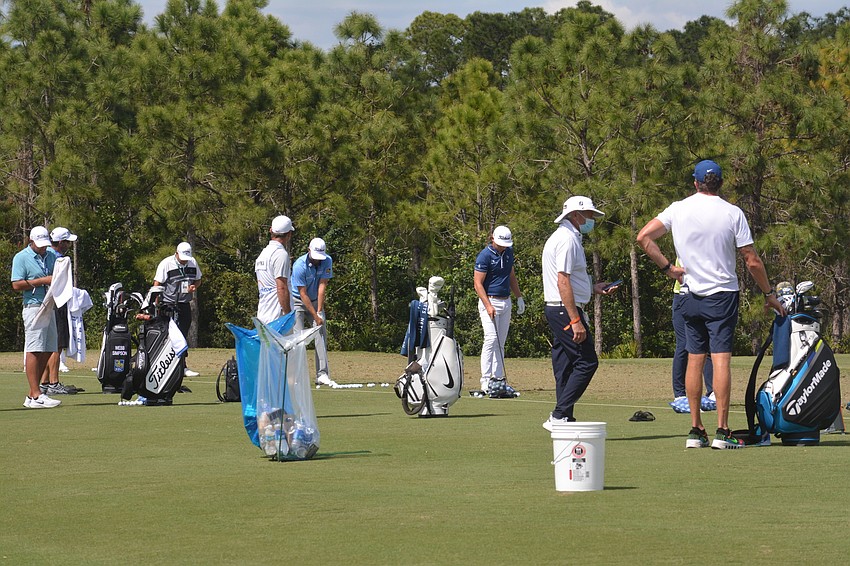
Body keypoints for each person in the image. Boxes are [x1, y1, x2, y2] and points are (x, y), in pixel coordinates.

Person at [637, 159, 785, 449]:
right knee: (720, 360)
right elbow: (751, 260)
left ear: (695, 182)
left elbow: (644, 237)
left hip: (689, 295)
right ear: (720, 183)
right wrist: (768, 293)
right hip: (722, 295)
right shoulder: (732, 213)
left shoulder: (678, 209)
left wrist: (668, 268)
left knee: (695, 358)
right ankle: (722, 430)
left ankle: (695, 430)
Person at [541, 196, 619, 430]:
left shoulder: (567, 237)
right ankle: (558, 414)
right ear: (576, 215)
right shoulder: (567, 240)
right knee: (587, 362)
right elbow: (562, 281)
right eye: (590, 215)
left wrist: (593, 288)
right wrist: (576, 319)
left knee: (564, 366)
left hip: (560, 309)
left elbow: (570, 280)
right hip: (565, 311)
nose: (592, 220)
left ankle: (564, 419)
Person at [10, 226, 61, 408]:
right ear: (31, 241)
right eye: (40, 245)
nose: (43, 248)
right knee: (34, 348)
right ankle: (36, 393)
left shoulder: (52, 256)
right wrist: (41, 281)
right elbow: (16, 284)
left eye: (45, 245)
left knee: (49, 348)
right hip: (33, 306)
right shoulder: (21, 257)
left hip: (50, 304)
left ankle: (33, 394)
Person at [473, 225, 525, 393]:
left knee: (500, 343)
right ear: (493, 239)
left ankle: (498, 379)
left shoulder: (508, 253)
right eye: (501, 243)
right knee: (490, 340)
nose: (504, 246)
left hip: (506, 301)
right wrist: (488, 305)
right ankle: (485, 380)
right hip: (490, 301)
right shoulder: (485, 256)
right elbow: (477, 284)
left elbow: (511, 276)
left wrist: (519, 297)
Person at [38, 227, 82, 395]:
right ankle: (54, 383)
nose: (69, 246)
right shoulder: (58, 259)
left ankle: (45, 383)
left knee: (49, 343)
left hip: (48, 303)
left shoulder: (46, 255)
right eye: (67, 242)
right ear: (61, 242)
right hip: (56, 303)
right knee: (57, 343)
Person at [670, 258, 714, 413]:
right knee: (683, 345)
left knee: (706, 344)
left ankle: (712, 392)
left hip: (704, 295)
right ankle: (680, 395)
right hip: (683, 296)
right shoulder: (685, 239)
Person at [153, 242, 202, 379]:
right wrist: (155, 304)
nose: (185, 260)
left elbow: (198, 280)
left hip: (184, 303)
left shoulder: (192, 262)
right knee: (168, 336)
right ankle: (166, 365)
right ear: (176, 253)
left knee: (182, 335)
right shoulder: (166, 263)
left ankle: (182, 366)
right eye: (182, 257)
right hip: (168, 304)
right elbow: (157, 284)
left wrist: (194, 287)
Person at [290, 237, 334, 387]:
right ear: (309, 251)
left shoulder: (327, 260)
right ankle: (297, 376)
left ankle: (322, 374)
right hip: (297, 302)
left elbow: (323, 286)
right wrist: (315, 315)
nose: (317, 261)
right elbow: (302, 294)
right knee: (298, 338)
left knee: (320, 335)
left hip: (315, 301)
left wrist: (319, 312)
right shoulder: (299, 266)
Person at [255, 215, 294, 324]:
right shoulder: (280, 254)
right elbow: (281, 287)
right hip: (278, 317)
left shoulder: (263, 254)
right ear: (289, 234)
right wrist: (288, 315)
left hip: (263, 314)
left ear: (271, 231)